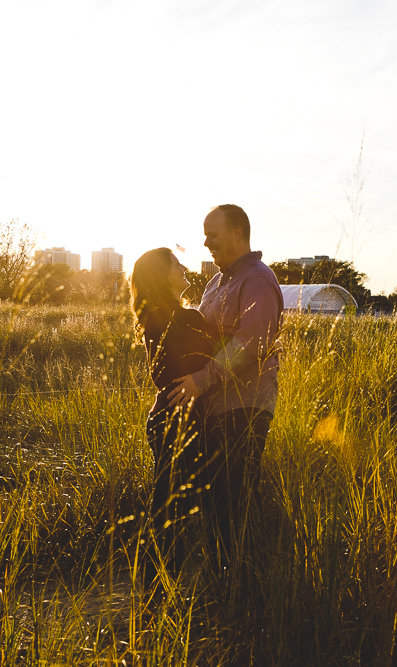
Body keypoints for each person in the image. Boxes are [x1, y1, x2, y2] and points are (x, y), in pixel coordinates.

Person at [168, 204, 283, 571]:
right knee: (216, 501)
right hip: (213, 409)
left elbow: (253, 343)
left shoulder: (257, 280)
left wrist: (202, 381)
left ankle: (246, 584)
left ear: (237, 233)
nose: (206, 243)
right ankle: (223, 578)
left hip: (245, 408)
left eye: (213, 235)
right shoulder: (217, 282)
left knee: (235, 502)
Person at [129, 247, 221, 579]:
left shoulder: (157, 318)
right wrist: (264, 345)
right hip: (178, 423)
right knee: (173, 509)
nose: (183, 267)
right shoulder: (184, 319)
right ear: (161, 276)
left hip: (164, 419)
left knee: (169, 505)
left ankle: (158, 586)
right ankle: (159, 588)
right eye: (175, 264)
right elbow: (222, 355)